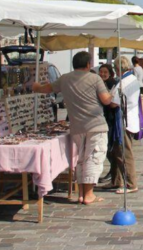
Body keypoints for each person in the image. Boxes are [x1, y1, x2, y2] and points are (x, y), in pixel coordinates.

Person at [32, 51, 113, 205]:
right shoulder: (94, 78)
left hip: (76, 126)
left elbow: (46, 88)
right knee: (94, 158)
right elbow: (106, 100)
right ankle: (89, 195)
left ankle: (81, 194)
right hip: (95, 125)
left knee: (81, 159)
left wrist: (36, 87)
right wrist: (113, 94)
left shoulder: (65, 78)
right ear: (88, 65)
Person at [107, 57, 141, 194]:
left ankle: (131, 183)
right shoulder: (132, 79)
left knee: (124, 152)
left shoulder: (123, 82)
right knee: (118, 151)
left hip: (123, 119)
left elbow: (114, 102)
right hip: (129, 117)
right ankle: (117, 180)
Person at [97, 64, 118, 185]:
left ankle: (113, 172)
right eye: (101, 72)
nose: (102, 74)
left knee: (109, 146)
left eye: (105, 72)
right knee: (107, 146)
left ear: (110, 73)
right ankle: (112, 171)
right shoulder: (100, 83)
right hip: (104, 117)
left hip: (109, 118)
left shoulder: (111, 84)